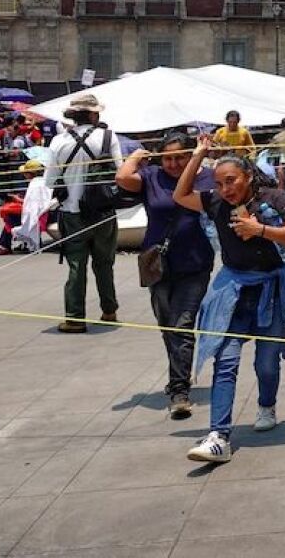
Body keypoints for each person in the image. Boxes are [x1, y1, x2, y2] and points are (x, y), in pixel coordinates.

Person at [173, 135, 285, 463]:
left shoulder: (274, 197)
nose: (225, 189)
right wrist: (198, 155)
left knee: (266, 362)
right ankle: (218, 435)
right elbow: (181, 194)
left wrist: (259, 229)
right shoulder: (216, 202)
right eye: (219, 183)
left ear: (247, 177)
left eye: (231, 181)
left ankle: (266, 404)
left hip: (271, 292)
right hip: (232, 292)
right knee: (225, 361)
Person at [116, 132, 215, 420]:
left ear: (190, 155)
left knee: (183, 324)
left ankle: (179, 390)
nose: (173, 163)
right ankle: (179, 374)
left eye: (180, 157)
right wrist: (137, 156)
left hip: (195, 261)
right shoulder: (151, 177)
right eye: (168, 158)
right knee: (167, 325)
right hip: (156, 262)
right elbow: (123, 179)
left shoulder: (206, 178)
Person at [43, 93, 123, 333]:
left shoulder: (58, 141)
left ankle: (75, 317)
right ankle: (109, 310)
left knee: (76, 266)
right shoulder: (108, 137)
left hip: (71, 212)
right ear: (92, 114)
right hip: (103, 212)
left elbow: (49, 181)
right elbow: (120, 174)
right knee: (105, 263)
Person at [0, 159, 52, 256]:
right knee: (13, 213)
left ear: (30, 174)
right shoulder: (43, 181)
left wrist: (18, 199)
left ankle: (5, 246)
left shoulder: (35, 185)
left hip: (40, 216)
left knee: (10, 216)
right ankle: (23, 242)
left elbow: (33, 207)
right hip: (46, 213)